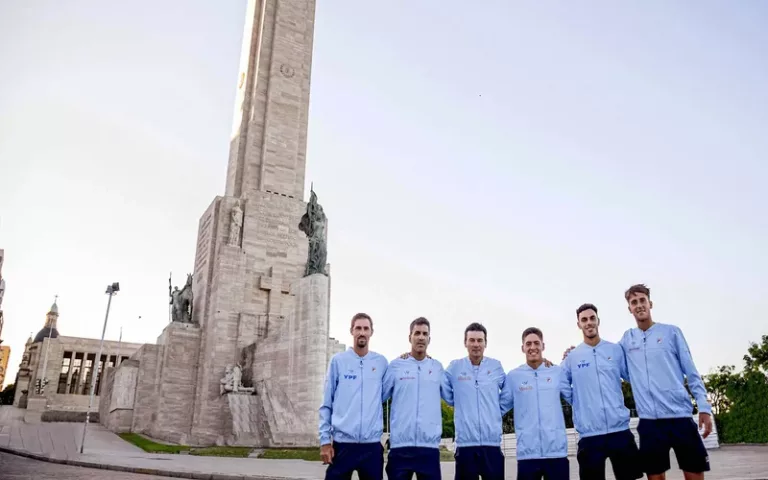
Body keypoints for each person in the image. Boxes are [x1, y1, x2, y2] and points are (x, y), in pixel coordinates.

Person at [619, 284, 713, 480]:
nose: (639, 305)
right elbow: (612, 364)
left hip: (680, 417)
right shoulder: (627, 339)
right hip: (649, 422)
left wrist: (704, 407)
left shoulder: (671, 332)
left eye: (642, 300)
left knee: (694, 473)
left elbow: (691, 371)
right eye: (634, 302)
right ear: (629, 308)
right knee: (655, 477)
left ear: (650, 303)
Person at [561, 303, 643, 480]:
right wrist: (579, 402)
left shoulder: (615, 350)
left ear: (598, 321)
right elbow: (561, 384)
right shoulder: (572, 357)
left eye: (592, 318)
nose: (589, 323)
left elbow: (632, 376)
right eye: (584, 320)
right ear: (579, 324)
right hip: (590, 436)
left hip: (620, 431)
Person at [318, 313, 389, 480]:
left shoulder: (381, 363)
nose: (362, 332)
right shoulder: (338, 361)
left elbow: (384, 395)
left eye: (366, 328)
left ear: (371, 332)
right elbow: (326, 404)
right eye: (358, 328)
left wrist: (408, 358)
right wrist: (325, 441)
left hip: (371, 447)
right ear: (351, 331)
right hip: (343, 446)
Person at [500, 327, 571, 480]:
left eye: (536, 343)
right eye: (528, 344)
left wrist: (572, 359)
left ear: (543, 346)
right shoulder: (513, 377)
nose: (533, 347)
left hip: (556, 453)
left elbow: (576, 399)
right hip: (528, 455)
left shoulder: (556, 372)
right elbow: (498, 408)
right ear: (523, 348)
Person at [442, 322, 506, 480]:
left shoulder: (496, 367)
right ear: (465, 342)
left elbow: (509, 394)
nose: (476, 344)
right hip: (465, 445)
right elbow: (440, 384)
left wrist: (495, 411)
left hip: (491, 445)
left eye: (479, 340)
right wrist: (458, 402)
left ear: (485, 343)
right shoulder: (455, 367)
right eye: (472, 340)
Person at [382, 317, 445, 480]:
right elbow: (379, 397)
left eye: (425, 334)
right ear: (410, 337)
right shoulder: (396, 366)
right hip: (400, 448)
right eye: (417, 333)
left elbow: (452, 397)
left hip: (429, 449)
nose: (421, 337)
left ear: (429, 339)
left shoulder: (437, 367)